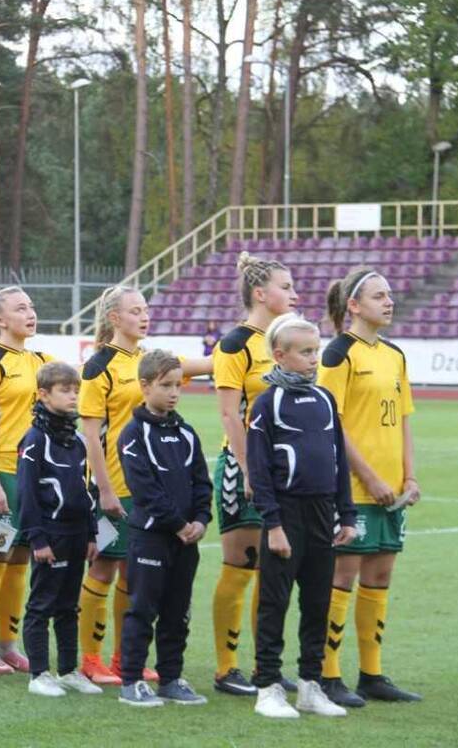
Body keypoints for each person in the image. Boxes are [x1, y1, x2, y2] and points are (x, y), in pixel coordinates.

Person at [76, 286, 211, 685]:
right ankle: (90, 659)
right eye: (135, 311)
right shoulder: (98, 366)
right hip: (113, 486)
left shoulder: (151, 361)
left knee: (133, 575)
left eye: (146, 309)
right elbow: (91, 435)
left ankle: (124, 658)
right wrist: (103, 489)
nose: (144, 316)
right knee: (103, 568)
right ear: (114, 318)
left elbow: (207, 363)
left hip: (147, 488)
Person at [318, 268, 422, 706]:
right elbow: (332, 423)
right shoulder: (338, 354)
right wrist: (369, 477)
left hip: (392, 490)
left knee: (380, 576)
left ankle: (372, 674)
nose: (389, 301)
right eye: (379, 296)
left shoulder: (395, 355)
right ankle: (327, 674)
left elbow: (403, 420)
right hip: (353, 488)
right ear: (354, 306)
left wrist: (409, 476)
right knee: (343, 576)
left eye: (390, 294)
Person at [247, 314, 357, 719]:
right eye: (306, 352)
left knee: (317, 602)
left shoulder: (325, 399)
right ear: (280, 355)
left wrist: (347, 515)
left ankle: (311, 685)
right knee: (274, 603)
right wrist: (273, 524)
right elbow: (259, 471)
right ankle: (268, 687)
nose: (314, 358)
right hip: (285, 514)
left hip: (323, 514)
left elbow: (338, 461)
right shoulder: (268, 403)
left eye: (316, 350)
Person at [211, 253, 299, 696]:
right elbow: (230, 415)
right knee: (240, 566)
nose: (295, 293)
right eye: (286, 286)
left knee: (273, 572)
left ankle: (267, 666)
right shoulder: (235, 344)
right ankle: (227, 669)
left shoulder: (289, 341)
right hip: (243, 468)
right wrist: (249, 471)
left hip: (284, 473)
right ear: (261, 294)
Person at [115, 350, 212, 707]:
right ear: (144, 386)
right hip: (151, 537)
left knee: (178, 611)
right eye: (166, 385)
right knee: (143, 609)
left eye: (178, 386)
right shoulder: (133, 434)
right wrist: (178, 524)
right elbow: (144, 489)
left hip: (186, 540)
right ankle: (132, 681)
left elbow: (202, 482)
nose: (173, 393)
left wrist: (201, 520)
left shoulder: (186, 432)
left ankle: (171, 678)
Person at [0, 287, 50, 674]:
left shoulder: (41, 361)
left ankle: (8, 645)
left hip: (31, 477)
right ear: (0, 319)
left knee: (20, 560)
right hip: (0, 474)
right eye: (21, 308)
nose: (30, 313)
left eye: (31, 307)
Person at [18, 361, 101, 698]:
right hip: (50, 535)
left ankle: (68, 670)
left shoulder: (76, 440)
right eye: (65, 390)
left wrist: (92, 533)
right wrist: (37, 539)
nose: (73, 396)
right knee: (42, 604)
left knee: (69, 606)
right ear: (43, 394)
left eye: (75, 390)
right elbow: (26, 493)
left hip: (77, 534)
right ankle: (39, 673)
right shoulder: (35, 439)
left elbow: (85, 490)